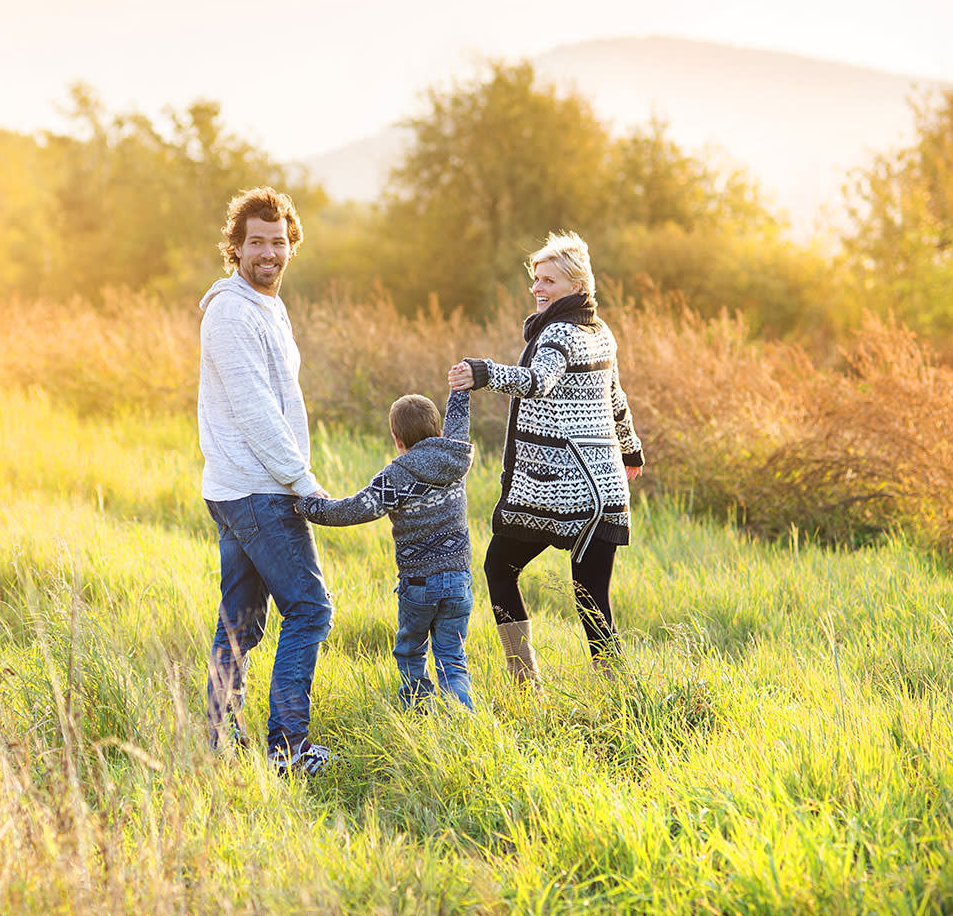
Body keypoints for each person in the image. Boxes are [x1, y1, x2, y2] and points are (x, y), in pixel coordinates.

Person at [448, 232, 643, 683]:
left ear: (576, 286)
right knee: (592, 597)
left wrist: (483, 373)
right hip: (605, 489)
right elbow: (616, 398)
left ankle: (526, 683)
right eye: (536, 279)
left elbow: (540, 381)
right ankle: (619, 693)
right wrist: (630, 450)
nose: (538, 288)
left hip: (560, 488)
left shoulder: (557, 332)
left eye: (549, 281)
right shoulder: (599, 330)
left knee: (499, 568)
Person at [198, 186, 333, 775]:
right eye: (256, 242)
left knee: (242, 622)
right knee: (310, 609)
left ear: (291, 246)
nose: (269, 253)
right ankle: (287, 749)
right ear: (236, 247)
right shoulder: (230, 312)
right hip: (255, 489)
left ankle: (218, 743)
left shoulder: (268, 307)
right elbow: (255, 411)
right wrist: (303, 482)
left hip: (245, 487)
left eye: (278, 242)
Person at [295, 389, 476, 710]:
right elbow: (459, 420)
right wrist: (459, 388)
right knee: (452, 655)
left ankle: (419, 713)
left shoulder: (397, 476)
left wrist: (307, 506)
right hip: (459, 581)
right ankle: (461, 719)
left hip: (419, 586)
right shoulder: (456, 456)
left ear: (396, 438)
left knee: (411, 651)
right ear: (438, 430)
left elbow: (352, 510)